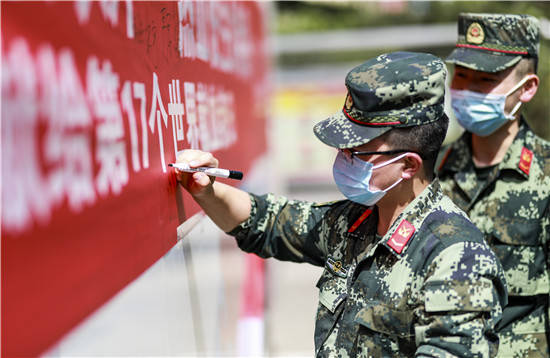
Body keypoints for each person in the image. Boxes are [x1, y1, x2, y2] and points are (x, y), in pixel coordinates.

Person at [176, 51, 507, 357]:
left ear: (408, 165)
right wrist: (205, 189)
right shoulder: (354, 221)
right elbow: (269, 222)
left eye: (357, 152)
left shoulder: (457, 259)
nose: (343, 158)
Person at [438, 13, 550, 357]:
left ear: (527, 88)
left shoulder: (545, 174)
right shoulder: (430, 170)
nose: (467, 90)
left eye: (485, 80)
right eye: (461, 76)